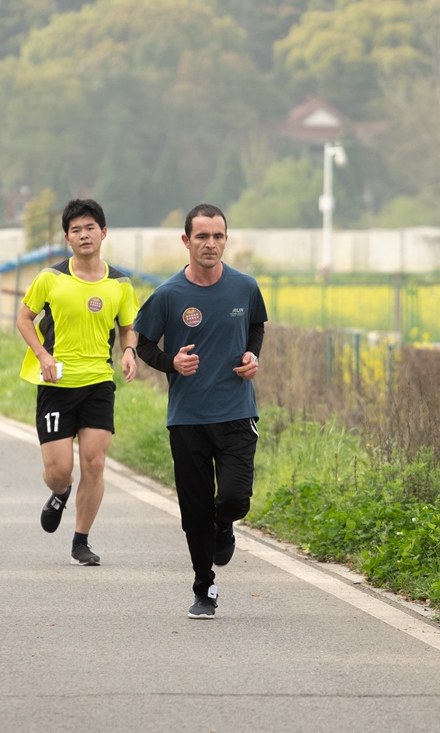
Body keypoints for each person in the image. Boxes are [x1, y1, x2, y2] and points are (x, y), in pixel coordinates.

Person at [133, 204, 268, 620]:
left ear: (226, 239)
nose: (210, 244)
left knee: (233, 499)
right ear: (186, 241)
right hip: (187, 419)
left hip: (235, 413)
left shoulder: (244, 287)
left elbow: (257, 326)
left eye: (218, 236)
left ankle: (224, 524)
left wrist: (252, 356)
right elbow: (143, 345)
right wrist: (171, 363)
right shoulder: (169, 295)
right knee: (194, 512)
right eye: (202, 236)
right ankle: (203, 586)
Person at [16, 199, 137, 567]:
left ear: (103, 232)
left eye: (90, 228)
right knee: (59, 470)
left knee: (95, 463)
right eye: (76, 230)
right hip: (56, 384)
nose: (84, 235)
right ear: (67, 238)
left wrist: (129, 351)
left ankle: (81, 540)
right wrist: (42, 355)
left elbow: (128, 325)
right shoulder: (50, 278)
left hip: (99, 382)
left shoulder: (120, 283)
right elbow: (24, 318)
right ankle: (61, 491)